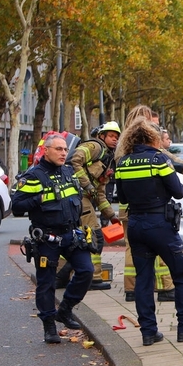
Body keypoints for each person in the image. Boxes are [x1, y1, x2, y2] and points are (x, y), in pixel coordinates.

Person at [114, 116, 183, 346]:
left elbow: (123, 197)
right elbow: (177, 191)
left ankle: (149, 332)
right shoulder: (158, 160)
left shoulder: (123, 163)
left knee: (143, 280)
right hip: (160, 224)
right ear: (153, 138)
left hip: (136, 225)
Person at [11, 133, 94, 344]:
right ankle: (49, 326)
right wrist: (38, 199)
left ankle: (64, 311)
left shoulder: (68, 172)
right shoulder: (33, 176)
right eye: (58, 149)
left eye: (65, 149)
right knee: (46, 283)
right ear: (46, 151)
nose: (63, 153)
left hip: (70, 233)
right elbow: (17, 206)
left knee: (86, 270)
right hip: (47, 237)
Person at [119, 106, 175, 303]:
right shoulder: (149, 146)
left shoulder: (123, 144)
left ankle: (131, 288)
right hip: (153, 206)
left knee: (130, 248)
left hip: (129, 207)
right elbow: (167, 159)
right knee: (160, 246)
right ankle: (165, 286)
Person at [56, 122, 121, 290]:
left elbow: (100, 193)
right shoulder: (94, 146)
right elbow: (74, 160)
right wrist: (87, 185)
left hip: (81, 198)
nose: (115, 140)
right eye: (111, 136)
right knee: (94, 238)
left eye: (117, 137)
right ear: (102, 136)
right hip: (77, 198)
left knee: (78, 240)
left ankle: (62, 277)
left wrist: (111, 216)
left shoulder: (106, 158)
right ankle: (92, 279)